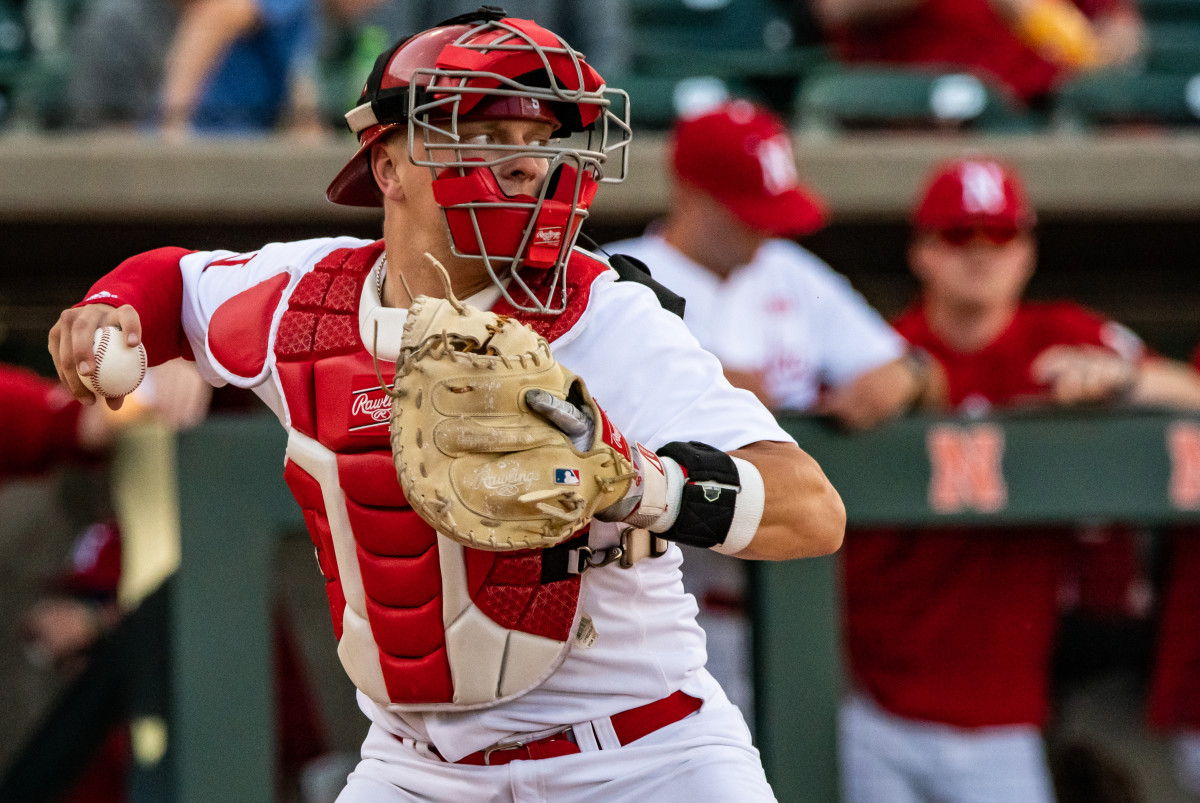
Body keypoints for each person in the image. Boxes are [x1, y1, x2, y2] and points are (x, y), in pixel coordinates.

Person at [47, 8, 846, 800]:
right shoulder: (305, 303)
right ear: (388, 166)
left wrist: (638, 484)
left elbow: (813, 511)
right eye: (489, 137)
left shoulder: (601, 313)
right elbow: (173, 281)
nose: (525, 166)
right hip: (419, 767)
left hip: (639, 753)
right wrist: (109, 305)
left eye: (539, 143)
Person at [838, 155, 1200, 803]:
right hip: (872, 702)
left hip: (1005, 711)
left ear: (1027, 250)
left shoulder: (1062, 334)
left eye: (1000, 237)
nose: (981, 256)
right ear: (922, 252)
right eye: (958, 237)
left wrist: (1126, 379)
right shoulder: (878, 349)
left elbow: (1191, 392)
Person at [604, 99, 939, 720]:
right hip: (659, 607)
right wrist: (707, 385)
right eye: (745, 214)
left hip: (791, 604)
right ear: (691, 196)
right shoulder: (614, 278)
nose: (764, 231)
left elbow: (914, 370)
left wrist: (902, 378)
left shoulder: (787, 270)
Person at [812, 0, 1145, 107]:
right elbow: (836, 8)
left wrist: (1095, 55)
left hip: (1042, 111)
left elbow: (1122, 30)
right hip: (921, 118)